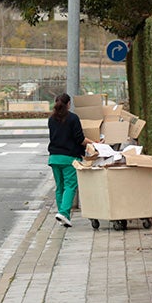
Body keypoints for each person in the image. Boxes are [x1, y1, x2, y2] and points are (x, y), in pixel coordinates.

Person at [48, 92, 90, 227]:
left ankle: (61, 216)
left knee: (60, 187)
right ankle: (64, 213)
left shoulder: (51, 119)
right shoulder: (73, 118)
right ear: (68, 104)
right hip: (69, 158)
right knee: (70, 186)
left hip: (54, 158)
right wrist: (95, 143)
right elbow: (80, 139)